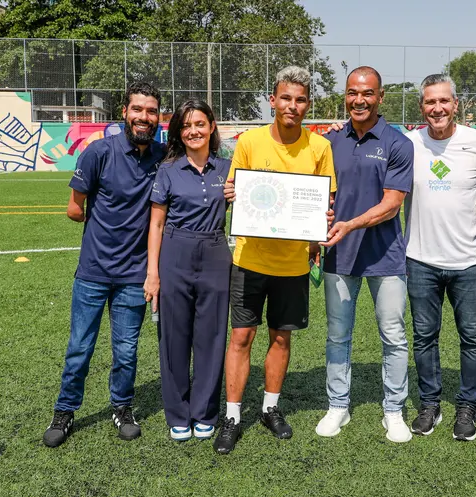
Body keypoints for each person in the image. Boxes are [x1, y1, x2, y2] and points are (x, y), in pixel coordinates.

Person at [214, 66, 337, 455]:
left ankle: (269, 408)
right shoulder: (249, 141)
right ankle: (232, 415)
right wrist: (232, 193)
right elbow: (235, 189)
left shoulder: (320, 148)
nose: (292, 105)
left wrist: (324, 217)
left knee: (281, 337)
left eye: (300, 99)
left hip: (294, 264)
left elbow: (326, 201)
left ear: (308, 105)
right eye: (286, 97)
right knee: (241, 336)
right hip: (249, 258)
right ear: (272, 100)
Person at [43, 82, 165, 448]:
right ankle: (64, 411)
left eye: (151, 111)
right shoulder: (98, 152)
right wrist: (106, 229)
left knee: (126, 350)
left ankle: (122, 407)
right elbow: (73, 208)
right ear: (124, 113)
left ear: (159, 117)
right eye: (137, 109)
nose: (144, 116)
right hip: (93, 273)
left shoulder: (164, 156)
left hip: (135, 275)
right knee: (80, 346)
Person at [316, 66, 415, 443]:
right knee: (338, 335)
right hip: (338, 257)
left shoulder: (396, 143)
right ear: (345, 95)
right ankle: (338, 406)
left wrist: (349, 224)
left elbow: (391, 205)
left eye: (367, 93)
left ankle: (394, 411)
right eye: (353, 93)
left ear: (380, 96)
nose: (359, 100)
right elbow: (318, 193)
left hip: (386, 258)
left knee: (393, 335)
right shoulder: (329, 142)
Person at [403, 74, 476, 441]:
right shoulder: (407, 144)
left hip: (469, 260)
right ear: (421, 106)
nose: (436, 108)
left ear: (456, 104)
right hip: (420, 259)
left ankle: (468, 406)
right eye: (429, 102)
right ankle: (429, 404)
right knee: (424, 336)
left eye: (443, 101)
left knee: (472, 336)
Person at [143, 100, 231, 442]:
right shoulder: (168, 170)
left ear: (211, 126)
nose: (193, 131)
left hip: (215, 253)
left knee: (211, 337)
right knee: (174, 337)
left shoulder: (229, 169)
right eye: (186, 126)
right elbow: (156, 224)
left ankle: (205, 412)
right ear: (179, 133)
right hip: (175, 253)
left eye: (199, 123)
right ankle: (178, 413)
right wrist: (153, 273)